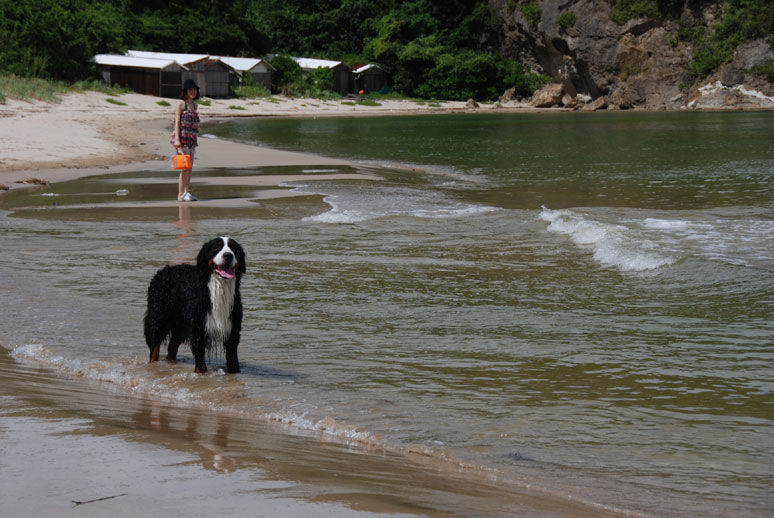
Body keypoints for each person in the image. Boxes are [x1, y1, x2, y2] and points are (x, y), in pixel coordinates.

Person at [172, 79, 200, 202]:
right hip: (182, 138)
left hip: (191, 139)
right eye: (190, 90)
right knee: (184, 166)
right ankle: (180, 194)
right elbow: (177, 121)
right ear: (185, 91)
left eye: (194, 90)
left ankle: (186, 192)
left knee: (190, 167)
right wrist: (177, 140)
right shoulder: (181, 104)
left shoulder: (195, 105)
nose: (193, 92)